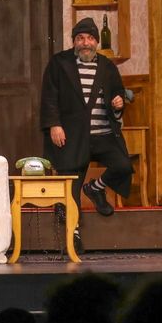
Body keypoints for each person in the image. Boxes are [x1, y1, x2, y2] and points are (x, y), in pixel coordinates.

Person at [41, 17, 132, 253]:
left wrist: (118, 103)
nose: (85, 43)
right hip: (71, 136)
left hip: (103, 135)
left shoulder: (107, 66)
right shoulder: (59, 63)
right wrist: (54, 125)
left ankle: (96, 188)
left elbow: (118, 94)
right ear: (74, 41)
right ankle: (73, 234)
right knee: (71, 185)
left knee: (123, 165)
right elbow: (49, 97)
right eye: (80, 38)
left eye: (90, 38)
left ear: (96, 42)